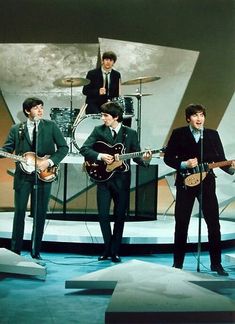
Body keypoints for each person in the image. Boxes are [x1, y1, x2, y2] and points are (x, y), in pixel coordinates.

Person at [164, 103, 235, 276]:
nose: (199, 118)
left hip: (207, 184)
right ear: (188, 118)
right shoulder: (179, 133)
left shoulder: (212, 135)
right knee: (181, 224)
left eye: (202, 115)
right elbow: (168, 158)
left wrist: (232, 168)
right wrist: (183, 164)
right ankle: (177, 264)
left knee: (213, 224)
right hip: (185, 184)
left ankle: (216, 264)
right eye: (195, 115)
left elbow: (221, 160)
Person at [80, 101, 152, 263]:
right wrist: (100, 156)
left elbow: (136, 155)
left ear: (116, 117)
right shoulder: (98, 130)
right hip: (103, 179)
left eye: (105, 115)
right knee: (103, 215)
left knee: (120, 215)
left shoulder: (130, 133)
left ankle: (115, 251)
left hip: (122, 179)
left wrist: (145, 159)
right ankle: (107, 249)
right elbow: (85, 149)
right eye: (102, 115)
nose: (102, 118)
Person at [0, 97, 69, 260]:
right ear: (27, 111)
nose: (40, 110)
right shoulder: (17, 128)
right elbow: (7, 149)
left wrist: (49, 162)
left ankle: (35, 250)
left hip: (44, 176)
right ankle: (15, 251)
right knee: (19, 212)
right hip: (23, 176)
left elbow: (63, 148)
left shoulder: (50, 126)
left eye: (41, 107)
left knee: (40, 214)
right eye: (36, 107)